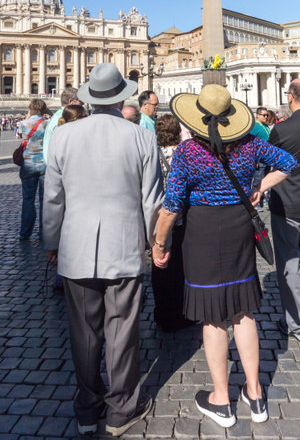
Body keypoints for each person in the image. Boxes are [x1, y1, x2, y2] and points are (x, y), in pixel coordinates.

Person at [152, 84, 297, 428]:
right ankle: (255, 392)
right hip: (238, 226)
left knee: (213, 316)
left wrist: (160, 244)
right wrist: (261, 186)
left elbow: (171, 208)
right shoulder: (249, 144)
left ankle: (221, 398)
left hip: (202, 231)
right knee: (243, 312)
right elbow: (289, 163)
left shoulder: (188, 153)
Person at [43, 63, 164, 437]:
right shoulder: (141, 137)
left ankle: (86, 406)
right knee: (123, 330)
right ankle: (121, 407)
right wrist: (158, 242)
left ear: (91, 97)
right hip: (126, 245)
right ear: (122, 97)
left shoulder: (63, 137)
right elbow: (152, 201)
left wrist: (51, 243)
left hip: (76, 247)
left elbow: (52, 200)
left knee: (83, 331)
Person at [152, 114, 193, 332]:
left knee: (159, 266)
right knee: (178, 266)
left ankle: (161, 311)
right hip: (180, 215)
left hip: (158, 216)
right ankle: (179, 312)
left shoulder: (153, 153)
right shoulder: (184, 153)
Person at [269, 79, 300, 342]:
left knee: (291, 264)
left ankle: (295, 323)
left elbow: (268, 166)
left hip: (287, 204)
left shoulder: (282, 130)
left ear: (291, 97)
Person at [19, 99, 48, 240]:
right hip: (44, 164)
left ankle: (25, 231)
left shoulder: (23, 123)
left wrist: (27, 117)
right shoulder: (47, 123)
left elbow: (20, 135)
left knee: (28, 199)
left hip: (28, 163)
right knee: (45, 200)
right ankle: (44, 232)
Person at [43, 87, 80, 164]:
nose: (82, 107)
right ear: (71, 101)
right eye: (81, 104)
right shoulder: (64, 118)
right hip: (57, 166)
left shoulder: (58, 115)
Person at [251, 107, 271, 210]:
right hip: (260, 158)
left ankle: (264, 200)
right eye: (264, 115)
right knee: (258, 181)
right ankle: (256, 202)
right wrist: (255, 159)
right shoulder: (255, 126)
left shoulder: (266, 126)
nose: (266, 117)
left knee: (267, 180)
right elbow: (251, 143)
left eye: (267, 115)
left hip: (267, 158)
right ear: (257, 115)